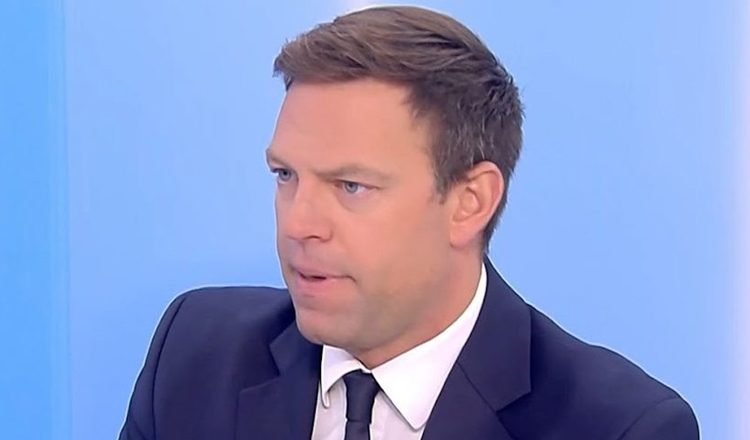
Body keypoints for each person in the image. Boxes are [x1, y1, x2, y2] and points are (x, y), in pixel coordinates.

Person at [119, 5, 699, 440]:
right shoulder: (196, 355)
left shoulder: (617, 427)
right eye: (285, 175)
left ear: (470, 202)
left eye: (350, 186)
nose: (299, 224)